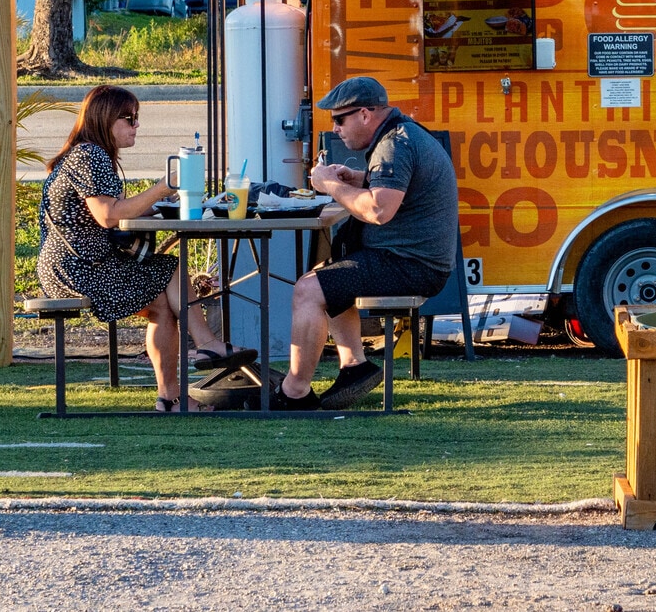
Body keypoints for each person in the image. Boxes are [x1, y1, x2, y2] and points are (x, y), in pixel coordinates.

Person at [36, 85, 250, 411]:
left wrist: (160, 202)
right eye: (130, 118)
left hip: (79, 264)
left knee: (163, 301)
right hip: (78, 269)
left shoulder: (87, 154)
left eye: (137, 119)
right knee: (169, 269)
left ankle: (172, 397)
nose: (136, 126)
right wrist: (164, 186)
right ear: (106, 119)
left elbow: (114, 208)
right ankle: (205, 349)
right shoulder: (89, 155)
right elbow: (108, 216)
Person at [275, 77, 459, 410]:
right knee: (325, 275)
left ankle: (294, 393)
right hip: (414, 258)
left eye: (339, 119)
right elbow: (398, 188)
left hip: (412, 264)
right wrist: (358, 179)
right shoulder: (403, 134)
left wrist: (331, 186)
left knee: (308, 290)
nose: (334, 128)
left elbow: (377, 209)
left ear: (364, 114)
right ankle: (354, 366)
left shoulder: (394, 144)